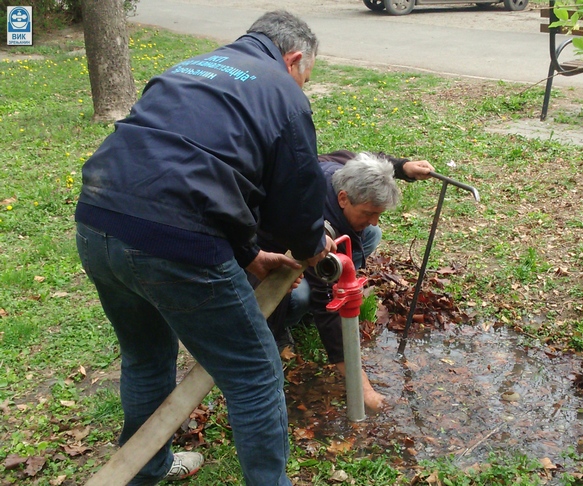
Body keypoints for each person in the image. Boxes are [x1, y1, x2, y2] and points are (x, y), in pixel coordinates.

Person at [74, 10, 336, 486]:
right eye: (306, 77)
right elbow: (297, 205)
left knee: (145, 358)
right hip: (175, 244)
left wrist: (250, 256)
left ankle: (146, 469)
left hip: (96, 220)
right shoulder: (283, 93)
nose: (302, 86)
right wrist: (311, 246)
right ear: (294, 59)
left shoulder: (191, 67)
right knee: (254, 374)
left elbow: (193, 168)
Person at [261, 150, 434, 411]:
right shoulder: (316, 225)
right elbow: (326, 304)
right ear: (343, 198)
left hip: (313, 238)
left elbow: (367, 158)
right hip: (265, 263)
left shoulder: (341, 169)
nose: (374, 219)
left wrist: (404, 167)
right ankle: (279, 327)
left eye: (379, 212)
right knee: (300, 295)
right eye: (368, 212)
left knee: (371, 234)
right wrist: (362, 388)